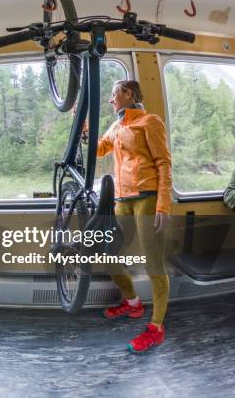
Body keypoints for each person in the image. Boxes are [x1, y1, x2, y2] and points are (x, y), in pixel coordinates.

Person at [94, 79, 172, 354]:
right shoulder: (117, 126)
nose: (111, 99)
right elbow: (100, 148)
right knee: (108, 256)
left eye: (114, 94)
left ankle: (157, 327)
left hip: (147, 198)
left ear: (128, 93)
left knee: (153, 263)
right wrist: (83, 127)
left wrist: (163, 204)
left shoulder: (149, 121)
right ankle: (133, 304)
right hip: (122, 200)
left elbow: (163, 162)